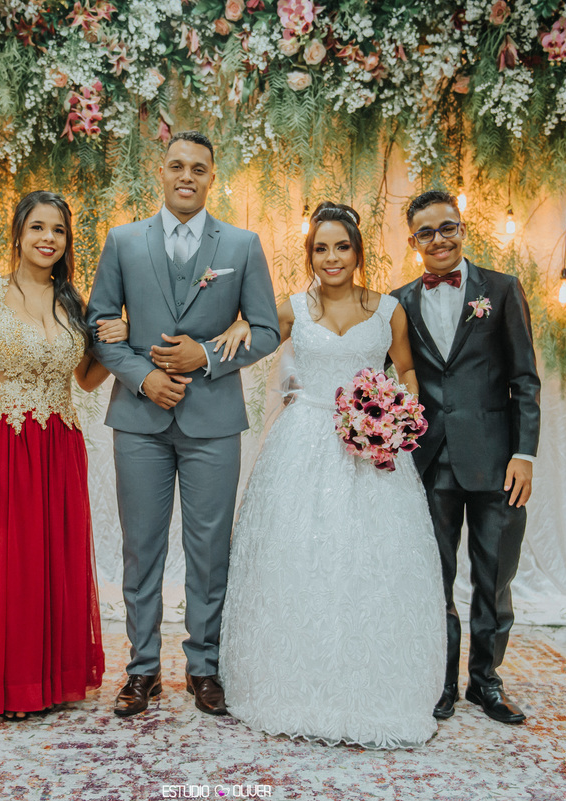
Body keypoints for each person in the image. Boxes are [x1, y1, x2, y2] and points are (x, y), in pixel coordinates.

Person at [217, 201, 445, 748]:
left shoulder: (388, 309)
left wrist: (396, 413)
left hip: (371, 450)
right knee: (299, 556)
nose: (332, 257)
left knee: (371, 562)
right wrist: (240, 324)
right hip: (303, 442)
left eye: (342, 246)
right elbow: (254, 333)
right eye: (321, 248)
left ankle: (373, 688)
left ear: (358, 252)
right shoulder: (293, 308)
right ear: (310, 255)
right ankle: (291, 684)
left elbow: (406, 368)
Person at [85, 131, 280, 718]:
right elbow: (100, 326)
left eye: (198, 167)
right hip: (139, 419)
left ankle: (204, 667)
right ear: (161, 173)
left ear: (212, 177)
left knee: (209, 549)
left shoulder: (242, 245)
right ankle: (142, 669)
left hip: (213, 422)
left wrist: (208, 356)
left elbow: (266, 329)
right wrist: (143, 377)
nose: (186, 176)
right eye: (176, 165)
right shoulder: (122, 241)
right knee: (141, 548)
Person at [0, 190, 127, 720]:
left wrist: (122, 338)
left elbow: (86, 380)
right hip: (5, 442)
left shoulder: (72, 304)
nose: (49, 238)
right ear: (19, 235)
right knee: (12, 567)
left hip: (59, 445)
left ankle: (54, 680)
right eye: (38, 228)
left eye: (59, 230)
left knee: (54, 565)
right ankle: (11, 685)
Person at [392, 190, 541, 725]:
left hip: (498, 463)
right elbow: (390, 374)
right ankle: (441, 681)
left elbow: (525, 380)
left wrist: (524, 454)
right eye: (426, 232)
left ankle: (485, 682)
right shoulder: (399, 302)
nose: (439, 239)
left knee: (494, 578)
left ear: (462, 229)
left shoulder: (501, 290)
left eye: (447, 227)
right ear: (413, 242)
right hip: (429, 461)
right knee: (433, 580)